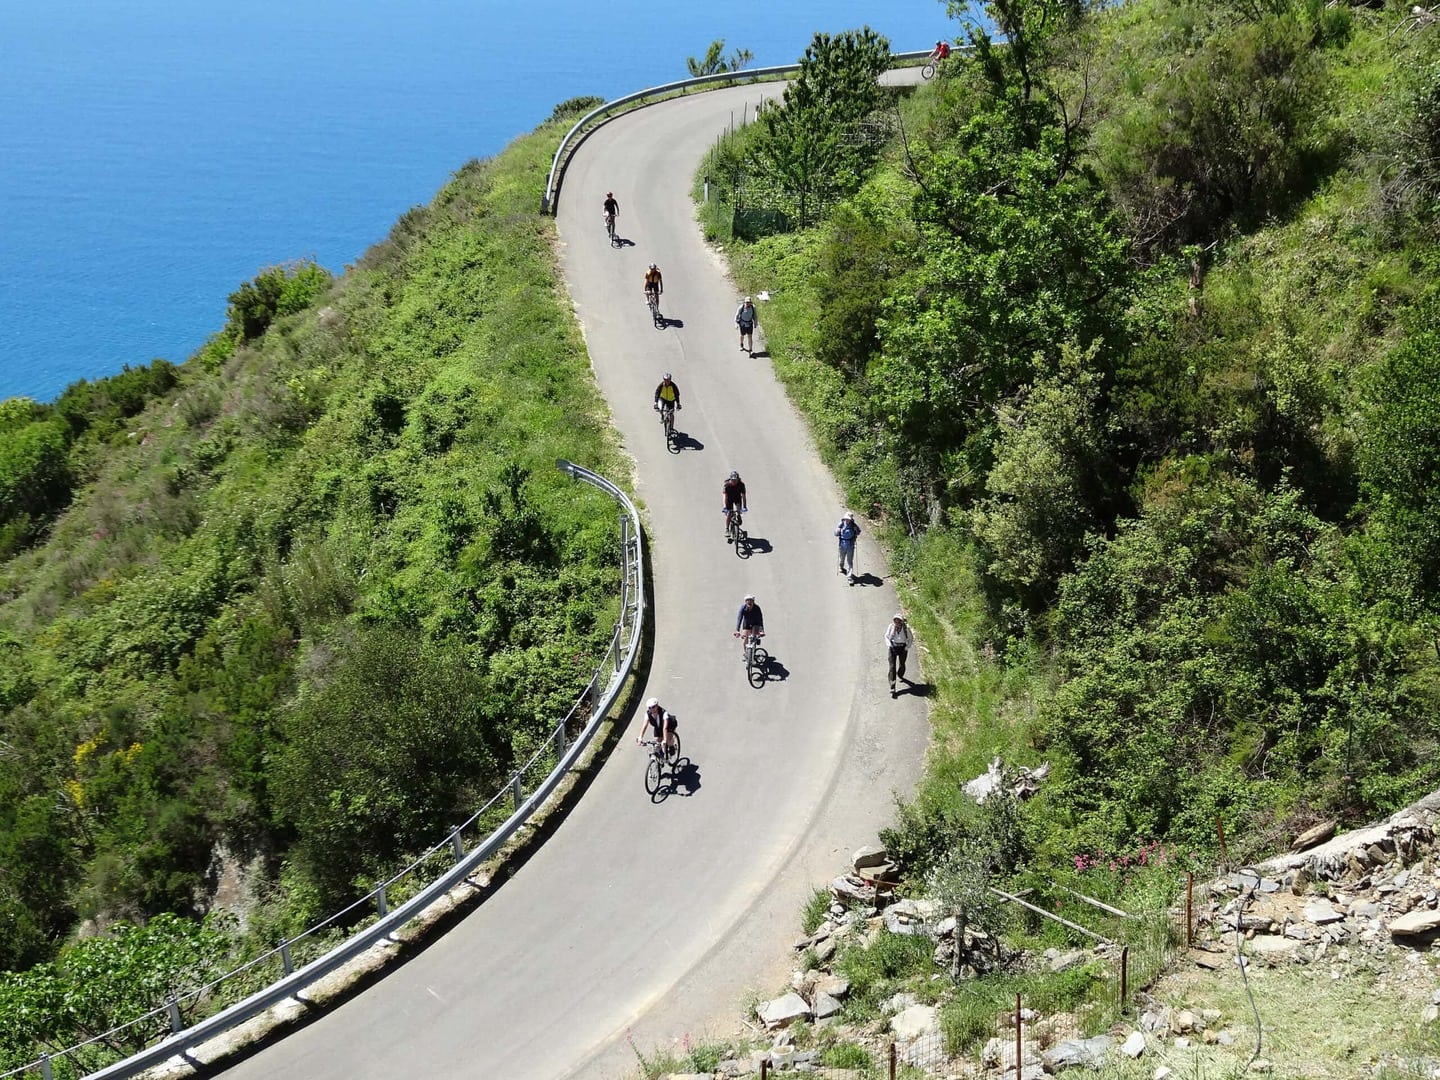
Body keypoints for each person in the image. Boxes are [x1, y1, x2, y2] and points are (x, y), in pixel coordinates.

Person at [885, 613, 913, 697]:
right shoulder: (891, 627)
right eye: (895, 620)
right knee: (892, 667)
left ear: (901, 621)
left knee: (902, 663)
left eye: (899, 620)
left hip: (902, 648)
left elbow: (910, 638)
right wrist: (889, 645)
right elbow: (886, 636)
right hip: (893, 647)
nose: (897, 622)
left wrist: (907, 647)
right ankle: (892, 686)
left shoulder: (905, 628)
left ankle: (900, 674)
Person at [834, 510, 861, 578]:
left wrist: (856, 530)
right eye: (846, 519)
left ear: (851, 520)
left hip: (851, 545)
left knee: (850, 561)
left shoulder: (854, 525)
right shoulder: (841, 524)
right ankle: (841, 566)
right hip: (842, 544)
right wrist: (837, 531)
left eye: (848, 519)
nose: (847, 520)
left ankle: (849, 576)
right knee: (842, 558)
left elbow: (858, 532)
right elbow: (835, 534)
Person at [722, 470, 747, 538]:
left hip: (737, 497)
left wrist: (744, 507)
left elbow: (744, 496)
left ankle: (738, 515)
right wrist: (724, 507)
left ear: (738, 479)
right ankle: (727, 529)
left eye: (735, 480)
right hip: (729, 498)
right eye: (732, 480)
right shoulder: (726, 485)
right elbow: (724, 497)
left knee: (738, 508)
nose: (734, 482)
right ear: (730, 479)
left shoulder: (741, 485)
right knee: (729, 513)